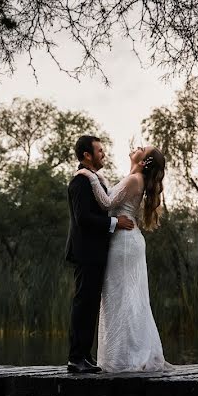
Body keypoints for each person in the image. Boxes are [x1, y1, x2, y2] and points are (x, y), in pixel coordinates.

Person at [74, 145, 173, 373]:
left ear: (144, 161)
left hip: (125, 243)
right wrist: (97, 177)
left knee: (123, 297)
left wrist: (89, 175)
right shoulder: (133, 179)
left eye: (142, 148)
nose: (136, 147)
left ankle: (126, 359)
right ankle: (124, 356)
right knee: (123, 297)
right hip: (125, 240)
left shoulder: (134, 179)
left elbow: (107, 204)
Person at [65, 135, 135, 373]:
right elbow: (83, 218)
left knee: (91, 304)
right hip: (86, 252)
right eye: (100, 150)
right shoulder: (80, 182)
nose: (103, 154)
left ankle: (85, 356)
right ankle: (76, 358)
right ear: (87, 155)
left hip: (95, 252)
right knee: (84, 303)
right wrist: (116, 222)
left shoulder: (94, 180)